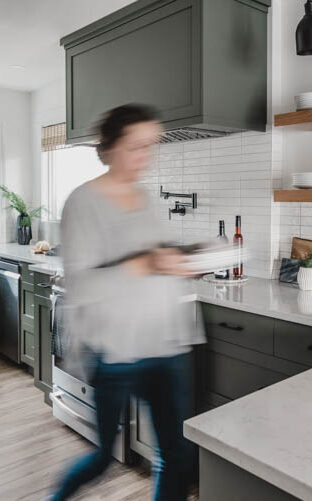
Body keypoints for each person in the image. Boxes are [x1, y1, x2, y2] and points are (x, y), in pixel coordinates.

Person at [50, 104, 204, 501]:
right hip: (115, 349)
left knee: (176, 454)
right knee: (103, 456)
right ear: (109, 148)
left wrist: (180, 261)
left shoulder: (145, 197)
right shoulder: (82, 202)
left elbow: (151, 256)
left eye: (151, 146)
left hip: (166, 342)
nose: (145, 157)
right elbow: (83, 284)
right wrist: (146, 262)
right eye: (136, 146)